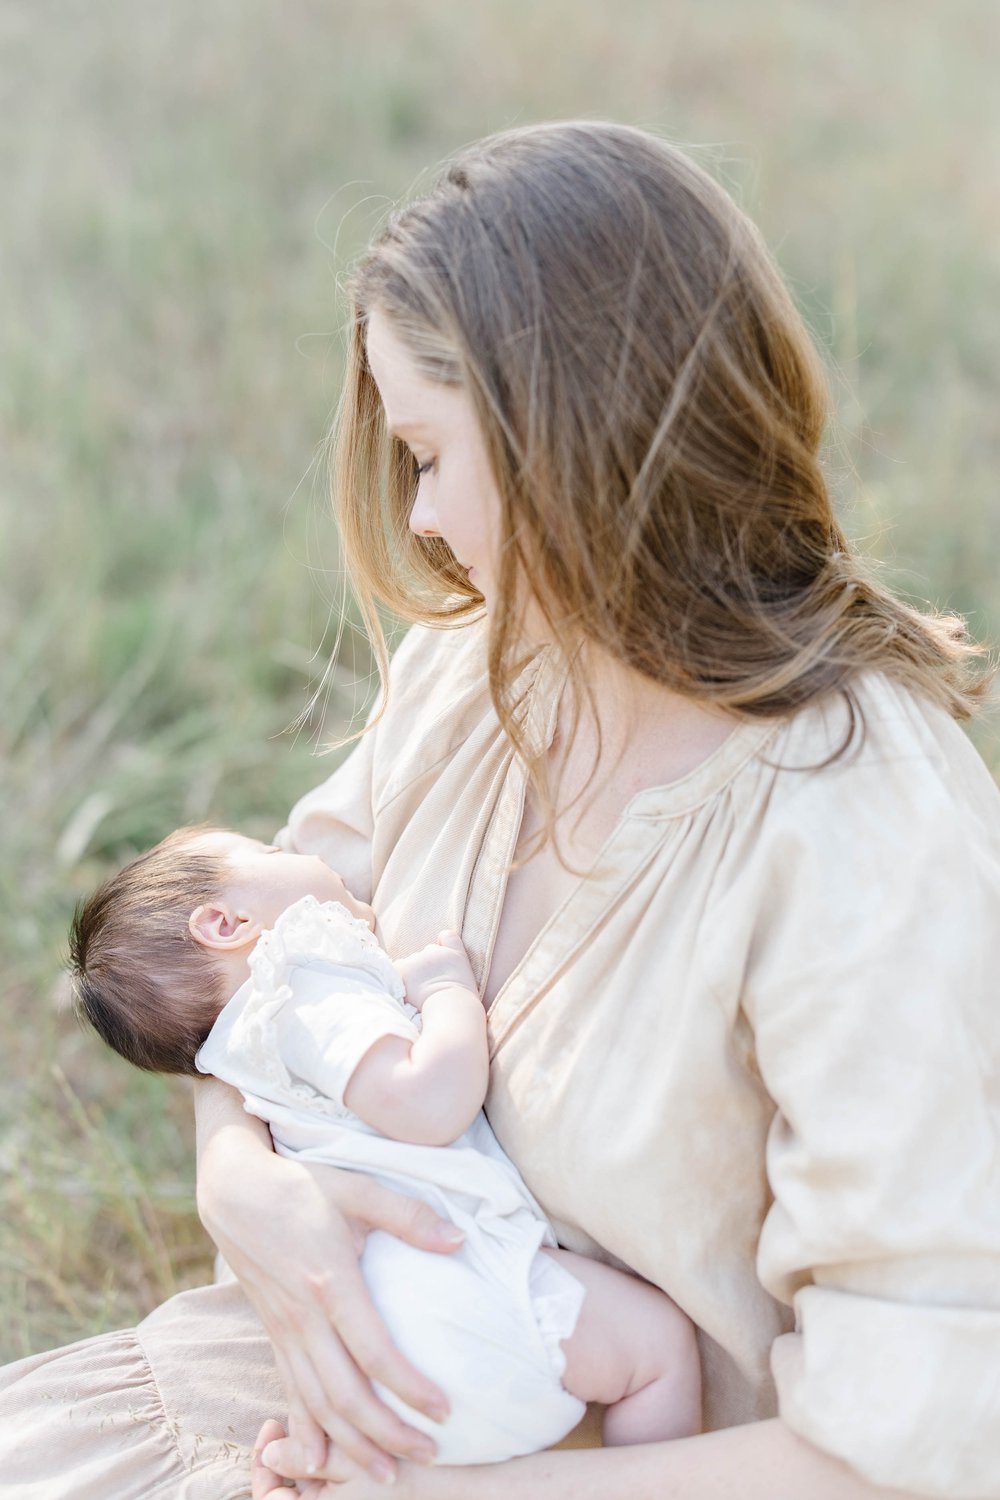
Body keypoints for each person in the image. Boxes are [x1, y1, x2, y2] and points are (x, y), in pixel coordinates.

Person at [2, 118, 999, 1500]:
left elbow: (912, 1440)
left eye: (426, 452)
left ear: (573, 446)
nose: (414, 518)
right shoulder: (487, 665)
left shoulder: (866, 835)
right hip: (313, 1394)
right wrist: (246, 1183)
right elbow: (266, 957)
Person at [66, 825, 701, 1464]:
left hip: (369, 1359)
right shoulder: (301, 992)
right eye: (273, 854)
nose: (305, 853)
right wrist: (447, 990)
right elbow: (427, 1102)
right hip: (463, 1298)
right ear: (227, 924)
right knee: (659, 1352)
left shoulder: (248, 1062)